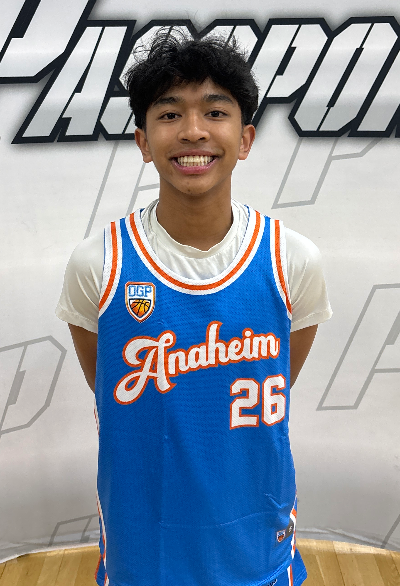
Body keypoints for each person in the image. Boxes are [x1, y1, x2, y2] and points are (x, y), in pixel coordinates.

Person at [56, 29, 332, 586]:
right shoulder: (98, 265)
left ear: (246, 138)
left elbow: (279, 380)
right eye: (169, 114)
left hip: (256, 540)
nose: (193, 131)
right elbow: (111, 394)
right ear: (142, 140)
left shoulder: (293, 261)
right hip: (143, 546)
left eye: (215, 111)